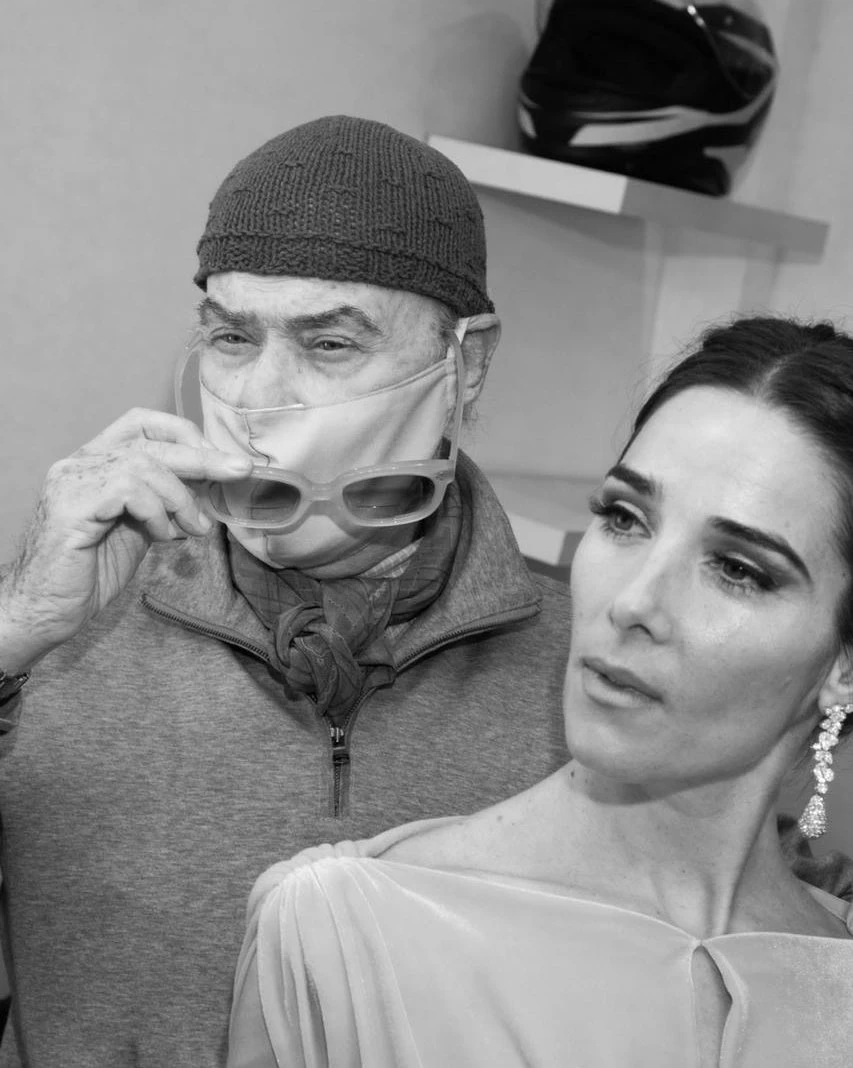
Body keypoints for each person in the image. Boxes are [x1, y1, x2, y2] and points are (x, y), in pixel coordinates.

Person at [0, 115, 579, 1067]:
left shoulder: (585, 679)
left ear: (466, 364)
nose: (262, 395)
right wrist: (18, 632)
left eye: (330, 343)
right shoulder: (61, 625)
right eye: (232, 337)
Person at [227, 315, 853, 1068]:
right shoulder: (344, 933)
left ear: (843, 663)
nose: (633, 602)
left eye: (738, 570)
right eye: (625, 519)